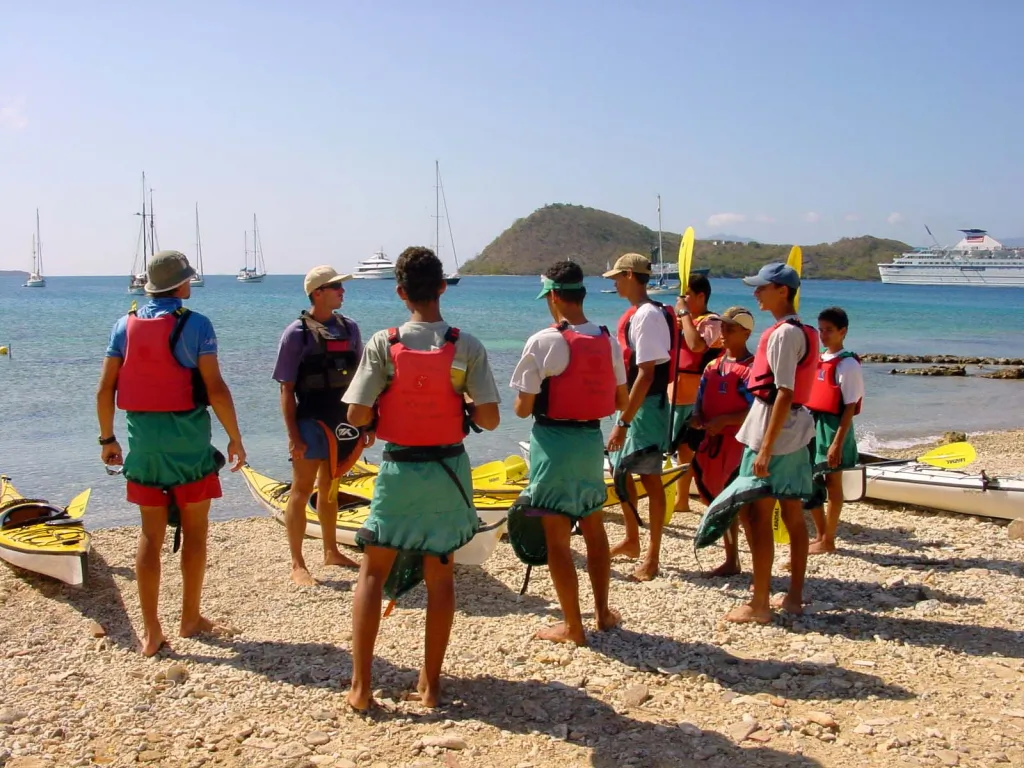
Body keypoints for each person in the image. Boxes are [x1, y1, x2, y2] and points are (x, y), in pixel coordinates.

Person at [342, 246, 500, 711]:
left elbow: (356, 412)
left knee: (373, 573)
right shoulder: (465, 344)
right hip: (447, 471)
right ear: (442, 288)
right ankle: (430, 685)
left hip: (399, 470)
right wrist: (461, 407)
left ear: (400, 292)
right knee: (441, 577)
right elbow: (490, 420)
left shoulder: (383, 343)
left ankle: (361, 688)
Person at [96, 251, 246, 656]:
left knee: (150, 534)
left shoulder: (122, 326)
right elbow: (215, 388)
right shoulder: (197, 325)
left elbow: (104, 389)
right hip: (188, 442)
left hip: (143, 444)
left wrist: (107, 440)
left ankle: (150, 630)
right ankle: (190, 618)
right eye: (188, 280)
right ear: (180, 286)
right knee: (195, 532)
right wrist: (235, 437)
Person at [507, 261, 627, 645]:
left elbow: (523, 409)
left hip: (553, 445)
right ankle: (603, 613)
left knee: (558, 539)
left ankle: (574, 626)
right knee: (594, 528)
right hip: (591, 442)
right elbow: (620, 399)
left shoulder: (544, 341)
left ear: (554, 296)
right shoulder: (608, 340)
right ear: (583, 294)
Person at [699, 262, 819, 623]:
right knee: (793, 512)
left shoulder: (783, 334)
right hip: (796, 428)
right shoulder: (806, 330)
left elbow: (783, 391)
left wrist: (765, 447)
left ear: (782, 291)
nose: (756, 294)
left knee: (756, 512)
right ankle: (794, 595)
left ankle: (760, 602)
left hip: (775, 427)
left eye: (762, 288)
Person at [273, 265, 370, 586]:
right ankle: (297, 564)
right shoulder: (296, 334)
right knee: (302, 490)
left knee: (330, 489)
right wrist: (292, 435)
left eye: (341, 286)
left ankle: (331, 551)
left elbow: (362, 380)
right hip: (310, 422)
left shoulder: (351, 329)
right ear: (317, 293)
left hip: (342, 421)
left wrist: (368, 422)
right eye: (336, 287)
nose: (343, 291)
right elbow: (286, 389)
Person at [602, 252, 676, 581]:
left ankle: (653, 556)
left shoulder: (647, 315)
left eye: (617, 277)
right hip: (639, 405)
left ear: (631, 275)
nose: (615, 283)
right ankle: (632, 540)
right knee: (622, 474)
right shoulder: (640, 314)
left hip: (648, 407)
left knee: (648, 477)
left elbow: (646, 374)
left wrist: (623, 422)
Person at [689, 307, 755, 577]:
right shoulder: (713, 366)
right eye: (723, 328)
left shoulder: (752, 369)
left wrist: (726, 420)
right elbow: (700, 398)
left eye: (730, 329)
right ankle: (731, 558)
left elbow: (757, 409)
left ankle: (759, 564)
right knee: (716, 500)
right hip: (712, 442)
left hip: (738, 443)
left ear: (746, 333)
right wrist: (696, 416)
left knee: (744, 506)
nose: (723, 333)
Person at [805, 306, 864, 554]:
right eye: (820, 330)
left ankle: (829, 539)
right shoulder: (818, 359)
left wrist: (837, 443)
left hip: (833, 427)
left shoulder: (848, 363)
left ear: (843, 332)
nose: (823, 335)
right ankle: (819, 534)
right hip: (812, 424)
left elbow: (850, 406)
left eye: (829, 330)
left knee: (832, 482)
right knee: (810, 481)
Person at [670, 274, 723, 515]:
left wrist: (683, 315)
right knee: (680, 448)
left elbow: (696, 346)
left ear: (701, 296)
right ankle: (680, 499)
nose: (682, 300)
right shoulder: (686, 320)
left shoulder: (711, 322)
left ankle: (701, 497)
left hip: (694, 396)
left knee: (690, 448)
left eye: (687, 295)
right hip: (675, 393)